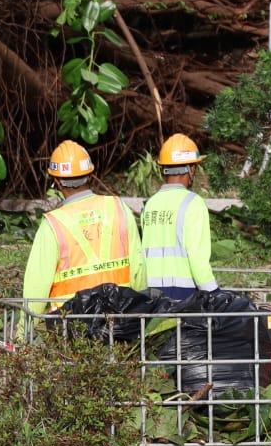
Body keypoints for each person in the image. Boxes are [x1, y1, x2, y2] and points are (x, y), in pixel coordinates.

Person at [21, 140, 142, 314]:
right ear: (90, 175)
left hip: (70, 324)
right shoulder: (118, 208)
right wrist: (139, 313)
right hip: (120, 319)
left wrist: (25, 328)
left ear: (57, 181)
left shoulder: (53, 224)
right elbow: (138, 268)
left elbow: (36, 286)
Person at [140, 134, 219, 299]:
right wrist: (213, 293)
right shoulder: (193, 203)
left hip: (151, 293)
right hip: (184, 293)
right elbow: (197, 257)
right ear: (191, 169)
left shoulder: (150, 204)